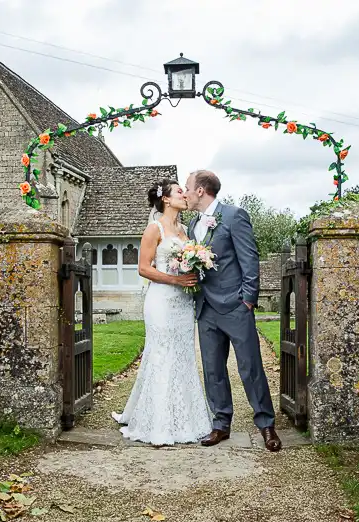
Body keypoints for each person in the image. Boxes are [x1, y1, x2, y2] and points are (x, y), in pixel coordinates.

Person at [184, 170, 282, 452]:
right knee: (213, 369)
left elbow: (249, 258)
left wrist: (248, 300)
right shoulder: (193, 225)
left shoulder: (234, 215)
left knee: (250, 367)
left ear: (201, 191)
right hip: (206, 307)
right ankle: (220, 424)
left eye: (188, 188)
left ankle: (266, 425)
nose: (186, 193)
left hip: (235, 306)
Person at [111, 180, 212, 444]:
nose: (184, 194)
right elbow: (144, 268)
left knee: (182, 355)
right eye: (179, 191)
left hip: (182, 303)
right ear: (166, 199)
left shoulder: (186, 231)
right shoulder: (153, 229)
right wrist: (175, 280)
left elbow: (188, 265)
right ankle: (157, 422)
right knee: (161, 354)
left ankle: (185, 418)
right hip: (161, 300)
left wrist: (194, 268)